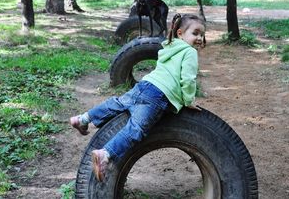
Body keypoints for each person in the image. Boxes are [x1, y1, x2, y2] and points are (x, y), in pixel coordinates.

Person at [70, 13, 206, 182]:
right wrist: (188, 100)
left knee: (117, 104)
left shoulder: (170, 46)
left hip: (145, 84)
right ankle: (105, 154)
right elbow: (188, 79)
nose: (200, 38)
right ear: (180, 33)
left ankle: (83, 119)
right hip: (158, 95)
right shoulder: (190, 52)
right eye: (195, 33)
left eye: (202, 34)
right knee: (136, 129)